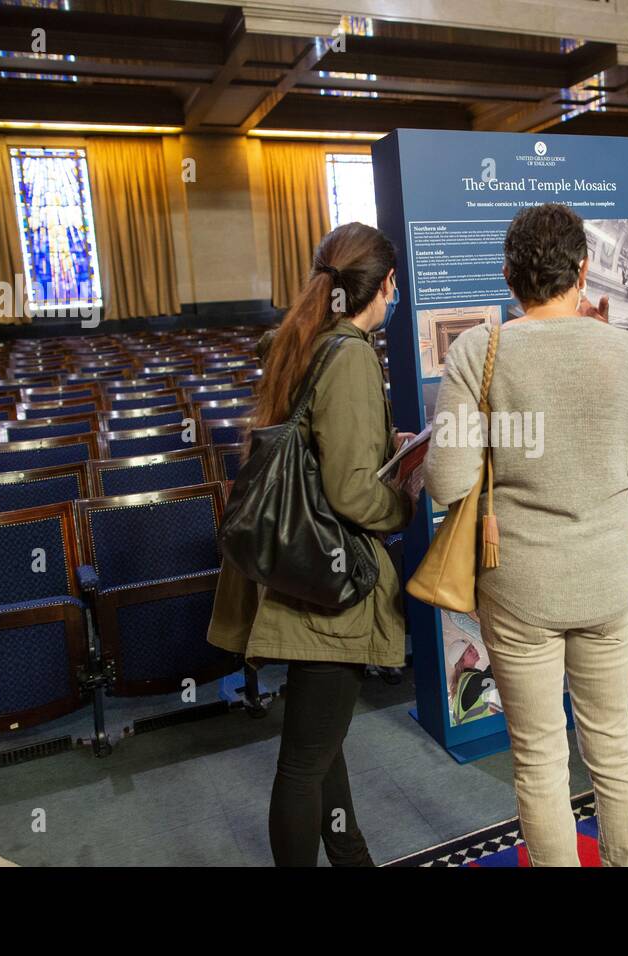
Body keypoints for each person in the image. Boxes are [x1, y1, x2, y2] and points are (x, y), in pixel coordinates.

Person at [424, 203, 628, 867]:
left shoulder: (480, 348)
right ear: (583, 270)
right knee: (613, 744)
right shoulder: (621, 348)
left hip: (520, 584)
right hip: (609, 577)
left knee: (538, 756)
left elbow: (446, 483)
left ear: (508, 275)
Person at [206, 222, 419, 866]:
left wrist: (382, 445)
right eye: (393, 285)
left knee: (319, 743)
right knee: (304, 762)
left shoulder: (302, 339)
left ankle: (352, 856)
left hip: (293, 569)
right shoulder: (350, 352)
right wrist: (403, 500)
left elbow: (316, 448)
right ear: (384, 285)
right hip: (331, 582)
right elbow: (354, 493)